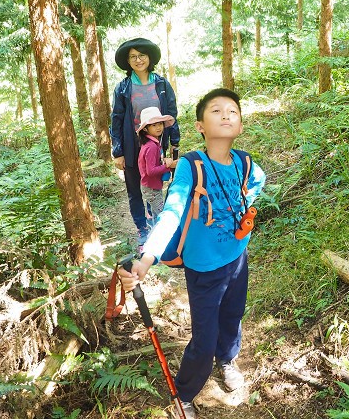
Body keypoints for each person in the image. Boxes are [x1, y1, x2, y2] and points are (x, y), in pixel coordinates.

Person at [119, 88, 266, 419]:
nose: (226, 114)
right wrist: (146, 258)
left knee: (233, 317)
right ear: (200, 125)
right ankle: (184, 392)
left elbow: (258, 182)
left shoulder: (245, 162)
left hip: (237, 259)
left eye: (233, 111)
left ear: (240, 125)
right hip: (203, 269)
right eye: (216, 110)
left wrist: (249, 202)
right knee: (205, 335)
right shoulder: (191, 166)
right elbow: (171, 212)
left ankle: (227, 360)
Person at [111, 38, 180, 249]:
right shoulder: (123, 87)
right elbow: (117, 118)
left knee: (155, 187)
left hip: (157, 145)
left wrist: (175, 143)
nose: (138, 60)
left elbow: (172, 112)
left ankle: (158, 227)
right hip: (133, 146)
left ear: (149, 58)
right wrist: (118, 152)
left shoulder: (161, 84)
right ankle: (142, 230)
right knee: (134, 190)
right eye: (133, 57)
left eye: (141, 55)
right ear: (128, 62)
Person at [136, 106, 178, 238]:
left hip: (152, 186)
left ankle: (155, 237)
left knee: (156, 214)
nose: (158, 127)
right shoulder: (151, 146)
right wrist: (168, 165)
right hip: (151, 188)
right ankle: (162, 241)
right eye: (153, 125)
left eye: (159, 124)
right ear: (146, 129)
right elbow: (150, 171)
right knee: (162, 214)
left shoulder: (152, 143)